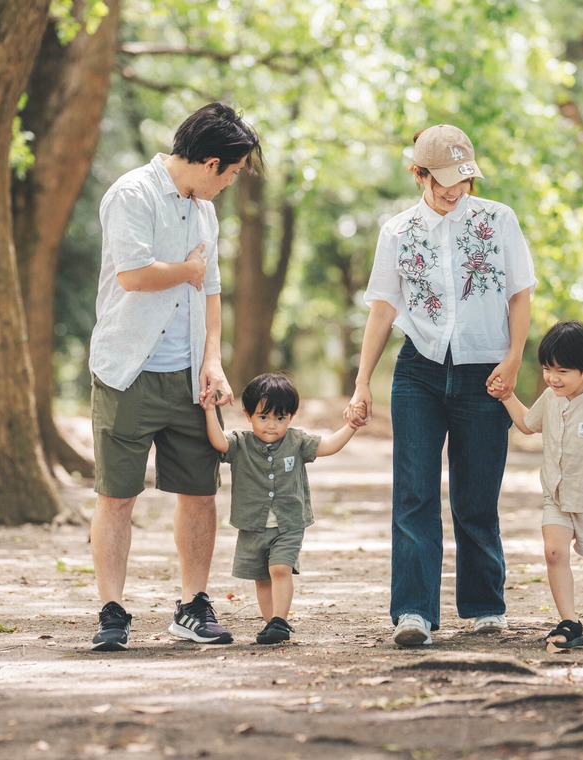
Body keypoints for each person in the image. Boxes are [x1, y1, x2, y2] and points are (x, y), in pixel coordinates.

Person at [345, 124, 537, 647]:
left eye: (463, 180)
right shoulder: (397, 232)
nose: (455, 190)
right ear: (419, 174)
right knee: (414, 494)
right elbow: (383, 310)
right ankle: (413, 612)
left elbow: (520, 294)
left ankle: (485, 606)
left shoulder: (498, 220)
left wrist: (514, 359)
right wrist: (362, 383)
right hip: (419, 371)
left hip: (486, 371)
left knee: (478, 496)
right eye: (443, 181)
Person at [87, 102, 263, 651]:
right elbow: (133, 275)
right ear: (211, 163)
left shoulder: (204, 212)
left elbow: (210, 291)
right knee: (117, 496)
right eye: (232, 172)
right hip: (128, 369)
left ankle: (192, 606)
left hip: (189, 376)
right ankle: (112, 611)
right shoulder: (132, 194)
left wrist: (212, 360)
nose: (231, 182)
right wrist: (188, 270)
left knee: (199, 493)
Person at [496, 320, 583, 649]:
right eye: (547, 369)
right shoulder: (550, 397)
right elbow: (528, 424)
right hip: (556, 498)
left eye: (562, 371)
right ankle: (570, 621)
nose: (552, 378)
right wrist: (507, 396)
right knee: (554, 552)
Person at [202, 373, 364, 644]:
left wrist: (351, 426)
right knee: (262, 578)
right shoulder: (241, 443)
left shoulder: (297, 441)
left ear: (291, 416)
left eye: (280, 418)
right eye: (263, 417)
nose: (271, 425)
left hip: (289, 523)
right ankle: (272, 626)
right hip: (252, 525)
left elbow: (328, 446)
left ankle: (280, 620)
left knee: (279, 569)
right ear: (248, 415)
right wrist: (209, 410)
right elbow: (219, 442)